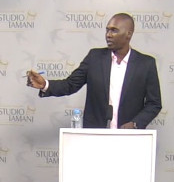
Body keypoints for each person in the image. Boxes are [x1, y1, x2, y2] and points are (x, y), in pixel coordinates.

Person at [26, 13, 162, 129]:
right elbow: (70, 84)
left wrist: (135, 123)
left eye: (114, 30)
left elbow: (154, 104)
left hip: (130, 138)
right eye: (107, 30)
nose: (108, 35)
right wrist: (45, 84)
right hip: (94, 134)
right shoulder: (94, 58)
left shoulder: (146, 64)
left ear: (128, 34)